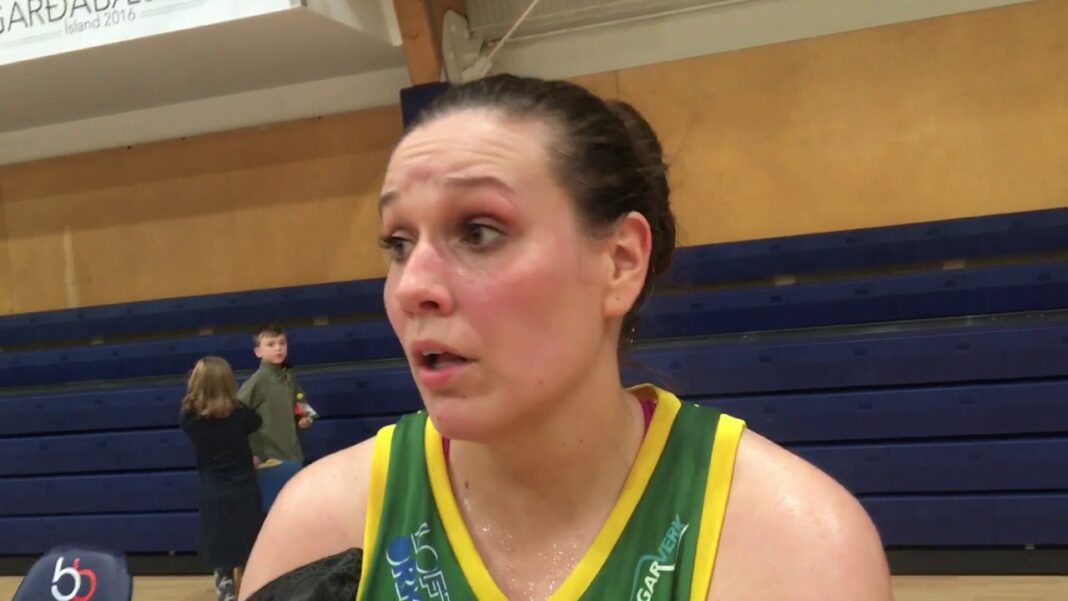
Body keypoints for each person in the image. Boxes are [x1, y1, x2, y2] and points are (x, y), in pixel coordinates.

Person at [240, 74, 894, 600]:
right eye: (398, 243)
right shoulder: (319, 524)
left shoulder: (794, 542)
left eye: (479, 231)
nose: (413, 286)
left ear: (620, 262)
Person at [180, 356, 265, 601]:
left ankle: (224, 580)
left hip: (214, 488)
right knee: (249, 538)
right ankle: (252, 584)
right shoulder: (240, 415)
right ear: (228, 382)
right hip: (244, 487)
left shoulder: (190, 418)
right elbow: (257, 421)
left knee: (221, 539)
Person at [237, 325, 313, 466]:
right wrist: (253, 453)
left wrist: (305, 416)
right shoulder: (257, 381)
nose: (278, 348)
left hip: (293, 454)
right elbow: (236, 414)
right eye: (271, 344)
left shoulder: (288, 377)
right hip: (268, 459)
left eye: (282, 343)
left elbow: (299, 399)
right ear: (258, 352)